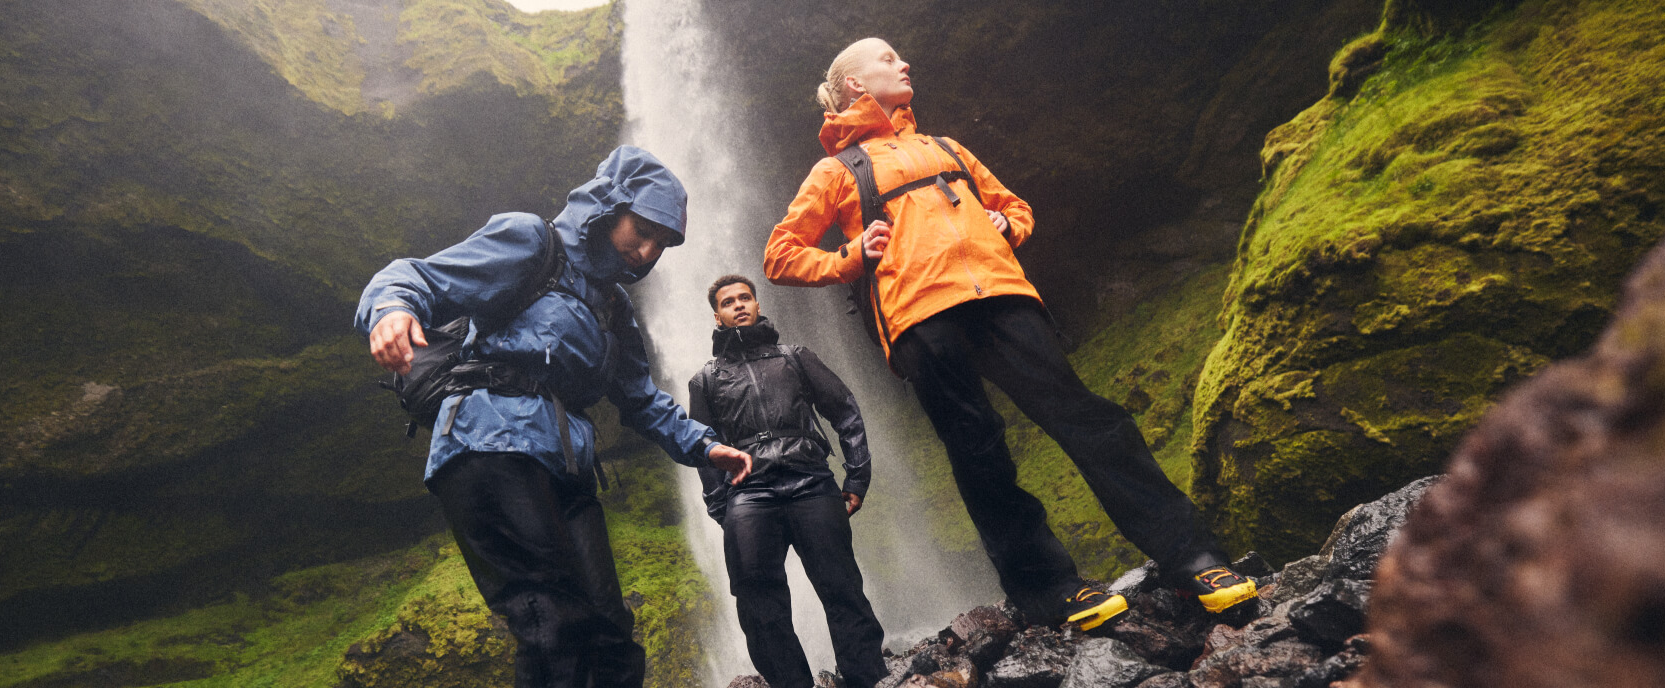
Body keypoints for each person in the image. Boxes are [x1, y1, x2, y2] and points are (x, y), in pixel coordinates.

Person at [761, 38, 1257, 632]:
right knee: (980, 453)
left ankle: (1193, 557)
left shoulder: (947, 147)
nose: (905, 64)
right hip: (920, 317)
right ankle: (1048, 588)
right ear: (854, 88)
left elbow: (1015, 207)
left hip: (1002, 296)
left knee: (1090, 419)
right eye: (888, 60)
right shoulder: (837, 171)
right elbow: (780, 254)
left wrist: (1005, 223)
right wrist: (847, 257)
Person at [358, 145, 755, 688]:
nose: (646, 252)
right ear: (609, 207)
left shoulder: (615, 310)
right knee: (552, 622)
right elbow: (416, 276)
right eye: (641, 229)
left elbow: (641, 398)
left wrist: (705, 446)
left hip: (566, 469)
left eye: (662, 244)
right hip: (488, 445)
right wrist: (392, 310)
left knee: (611, 633)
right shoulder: (531, 242)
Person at [689, 275, 888, 688]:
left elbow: (844, 410)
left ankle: (867, 679)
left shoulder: (795, 357)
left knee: (842, 587)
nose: (739, 305)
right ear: (718, 316)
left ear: (758, 305)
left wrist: (857, 476)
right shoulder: (704, 380)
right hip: (748, 493)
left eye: (746, 297)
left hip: (812, 482)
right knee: (759, 605)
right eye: (729, 302)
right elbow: (703, 449)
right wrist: (721, 507)